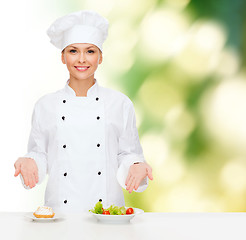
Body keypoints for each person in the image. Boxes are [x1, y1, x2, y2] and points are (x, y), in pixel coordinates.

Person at [14, 10, 153, 213]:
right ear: (62, 57)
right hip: (59, 214)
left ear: (100, 57)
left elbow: (127, 154)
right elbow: (40, 154)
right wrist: (30, 161)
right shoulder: (45, 105)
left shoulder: (120, 104)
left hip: (107, 213)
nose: (81, 59)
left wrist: (136, 165)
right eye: (73, 51)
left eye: (90, 51)